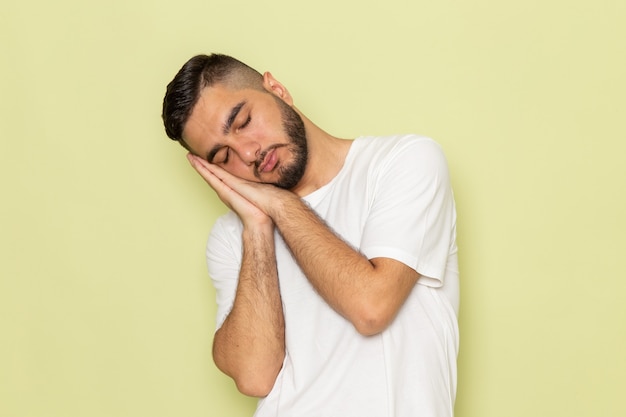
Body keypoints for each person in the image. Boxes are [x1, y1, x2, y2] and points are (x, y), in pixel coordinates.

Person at [161, 53, 459, 417]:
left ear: (277, 89)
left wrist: (281, 205)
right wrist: (257, 226)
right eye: (224, 157)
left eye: (243, 122)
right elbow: (255, 376)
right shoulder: (230, 235)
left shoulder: (402, 163)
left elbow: (371, 307)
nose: (249, 153)